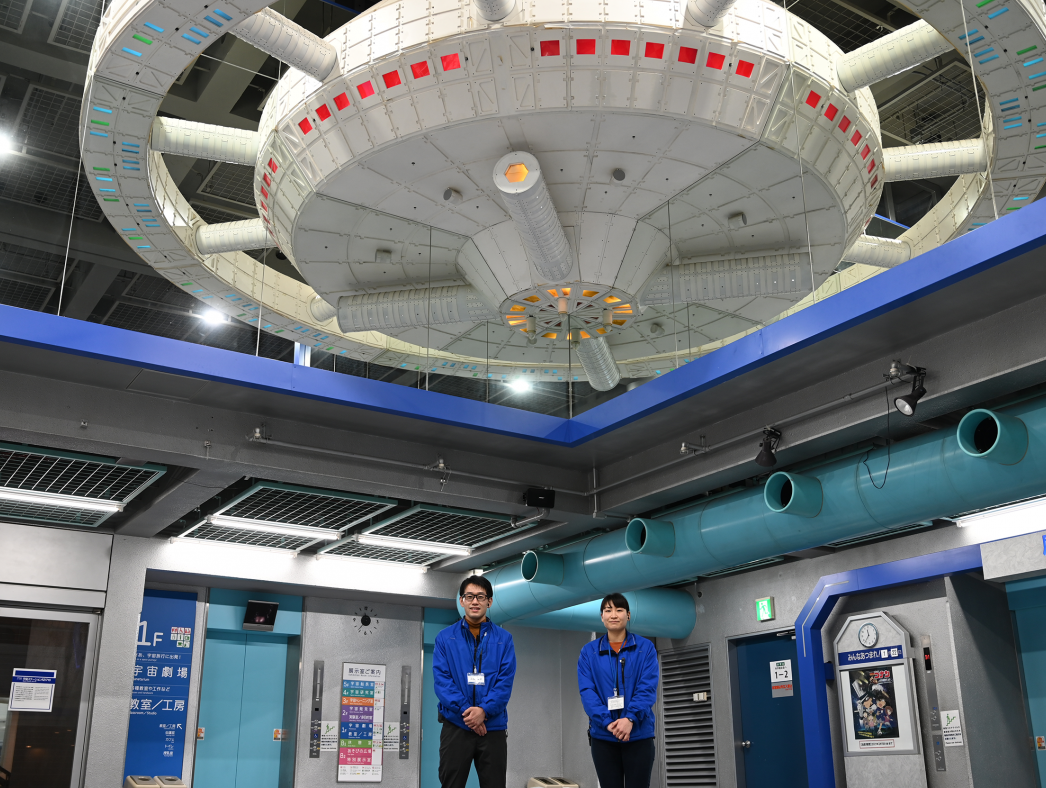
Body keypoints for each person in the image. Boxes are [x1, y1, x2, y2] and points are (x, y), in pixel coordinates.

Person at [433, 576, 517, 788]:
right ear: (462, 601)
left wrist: (484, 712)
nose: (475, 601)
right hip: (456, 725)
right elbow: (442, 681)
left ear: (489, 601)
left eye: (481, 597)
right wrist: (469, 714)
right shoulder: (445, 638)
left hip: (492, 727)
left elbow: (504, 682)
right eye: (469, 596)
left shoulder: (504, 639)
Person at [577, 593, 660, 788]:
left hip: (638, 734)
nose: (613, 615)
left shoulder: (645, 648)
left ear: (628, 615)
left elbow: (647, 688)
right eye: (608, 610)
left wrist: (630, 719)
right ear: (602, 616)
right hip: (603, 736)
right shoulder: (588, 652)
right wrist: (607, 722)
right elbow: (587, 692)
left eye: (619, 610)